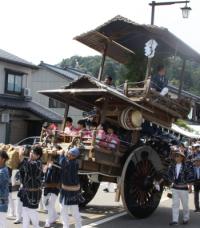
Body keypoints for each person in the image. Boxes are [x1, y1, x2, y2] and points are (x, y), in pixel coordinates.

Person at [167, 150, 194, 226]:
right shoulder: (172, 166)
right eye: (176, 156)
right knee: (175, 204)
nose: (176, 157)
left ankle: (186, 218)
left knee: (185, 205)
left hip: (184, 188)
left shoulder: (186, 166)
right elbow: (169, 175)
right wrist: (170, 182)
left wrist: (190, 187)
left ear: (182, 158)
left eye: (178, 156)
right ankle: (175, 220)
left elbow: (190, 176)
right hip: (175, 188)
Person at [18, 145, 43, 228]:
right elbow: (22, 171)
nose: (31, 154)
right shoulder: (28, 161)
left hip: (34, 192)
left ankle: (37, 226)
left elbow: (30, 167)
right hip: (26, 191)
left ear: (38, 156)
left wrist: (21, 157)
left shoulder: (38, 163)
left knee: (31, 211)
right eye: (31, 152)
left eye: (34, 153)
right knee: (25, 211)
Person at [59, 147, 84, 228]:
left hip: (72, 191)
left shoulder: (73, 163)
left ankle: (78, 226)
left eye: (70, 154)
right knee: (63, 210)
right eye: (68, 153)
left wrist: (62, 154)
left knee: (74, 211)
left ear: (74, 156)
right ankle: (66, 226)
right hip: (66, 190)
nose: (68, 154)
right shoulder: (70, 161)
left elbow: (62, 163)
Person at [43, 146, 61, 228]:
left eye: (55, 150)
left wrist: (53, 165)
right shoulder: (49, 159)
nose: (53, 151)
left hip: (55, 185)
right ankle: (55, 216)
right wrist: (47, 167)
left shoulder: (60, 160)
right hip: (47, 184)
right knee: (45, 202)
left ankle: (48, 221)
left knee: (50, 203)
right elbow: (45, 171)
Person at [0, 150, 9, 228]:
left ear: (3, 159)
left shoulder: (3, 172)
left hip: (1, 203)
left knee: (2, 223)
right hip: (2, 201)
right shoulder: (3, 169)